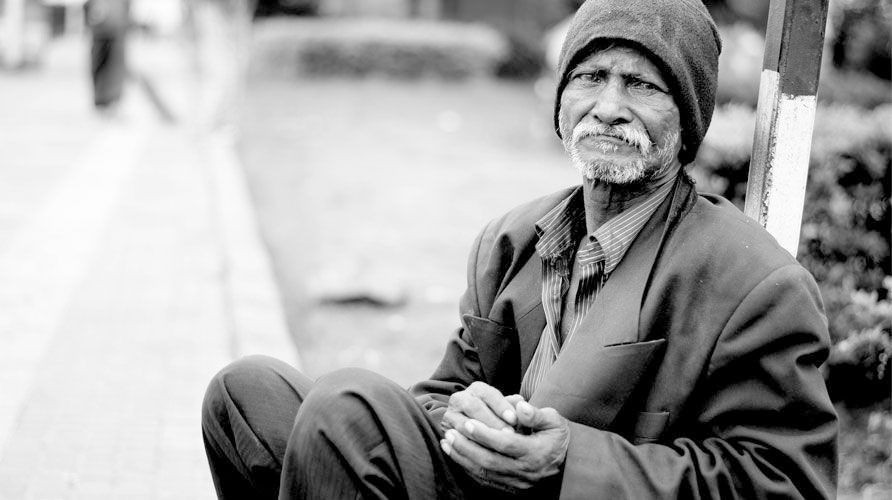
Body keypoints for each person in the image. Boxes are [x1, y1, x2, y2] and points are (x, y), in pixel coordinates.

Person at [200, 0, 838, 498]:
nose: (609, 107)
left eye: (644, 86)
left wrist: (568, 462)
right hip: (477, 486)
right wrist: (462, 415)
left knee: (347, 411)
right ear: (561, 100)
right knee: (244, 396)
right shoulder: (511, 241)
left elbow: (782, 484)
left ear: (688, 118)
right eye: (591, 77)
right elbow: (441, 392)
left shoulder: (755, 283)